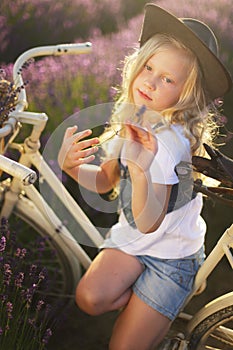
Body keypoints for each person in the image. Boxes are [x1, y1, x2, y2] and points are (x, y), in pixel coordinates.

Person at [58, 4, 232, 350]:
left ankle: (156, 309)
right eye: (149, 68)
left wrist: (139, 169)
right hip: (133, 242)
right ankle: (147, 307)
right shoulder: (134, 118)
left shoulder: (169, 142)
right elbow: (107, 181)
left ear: (186, 95)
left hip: (171, 256)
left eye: (167, 79)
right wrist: (71, 167)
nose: (151, 82)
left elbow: (150, 220)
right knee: (89, 298)